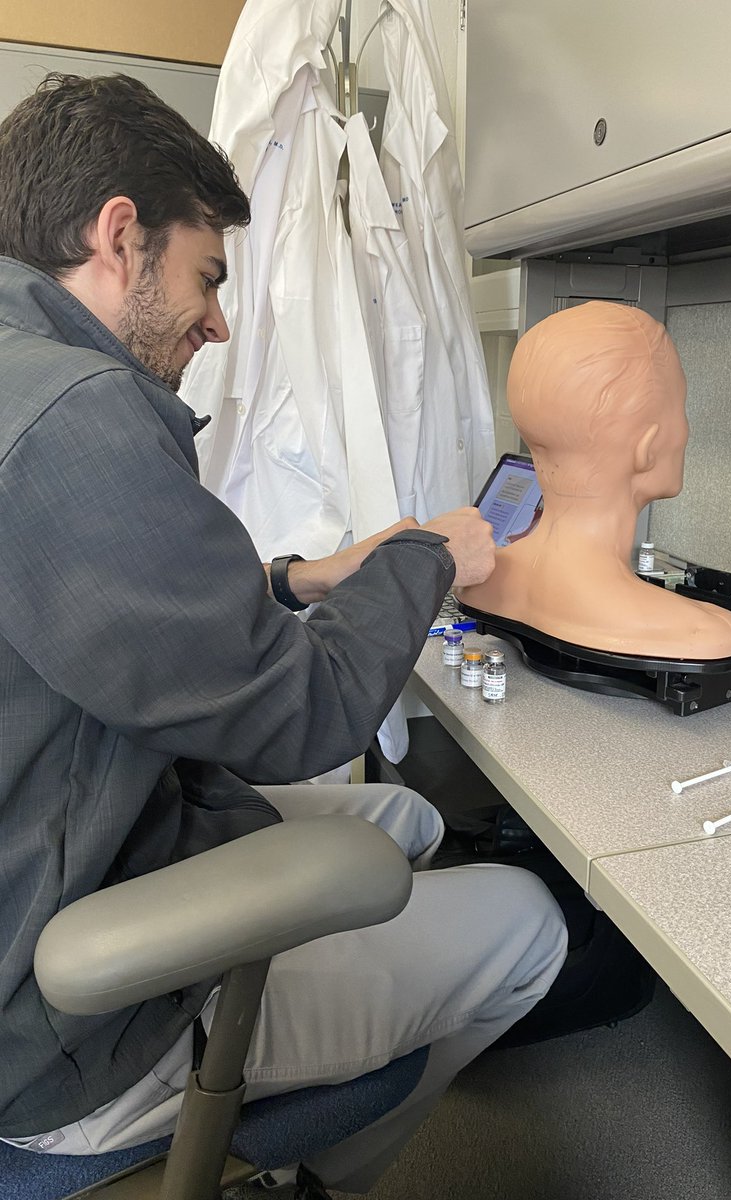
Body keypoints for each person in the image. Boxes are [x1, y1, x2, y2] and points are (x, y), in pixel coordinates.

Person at [0, 74, 567, 1193]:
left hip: (58, 863)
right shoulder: (75, 415)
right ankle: (309, 1170)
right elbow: (304, 715)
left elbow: (97, 608)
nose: (218, 321)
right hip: (56, 1041)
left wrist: (303, 578)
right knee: (528, 920)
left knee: (406, 816)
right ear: (119, 236)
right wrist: (426, 559)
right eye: (207, 277)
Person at [459, 302, 731, 661]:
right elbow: (721, 633)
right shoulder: (707, 632)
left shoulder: (483, 579)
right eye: (681, 409)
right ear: (647, 448)